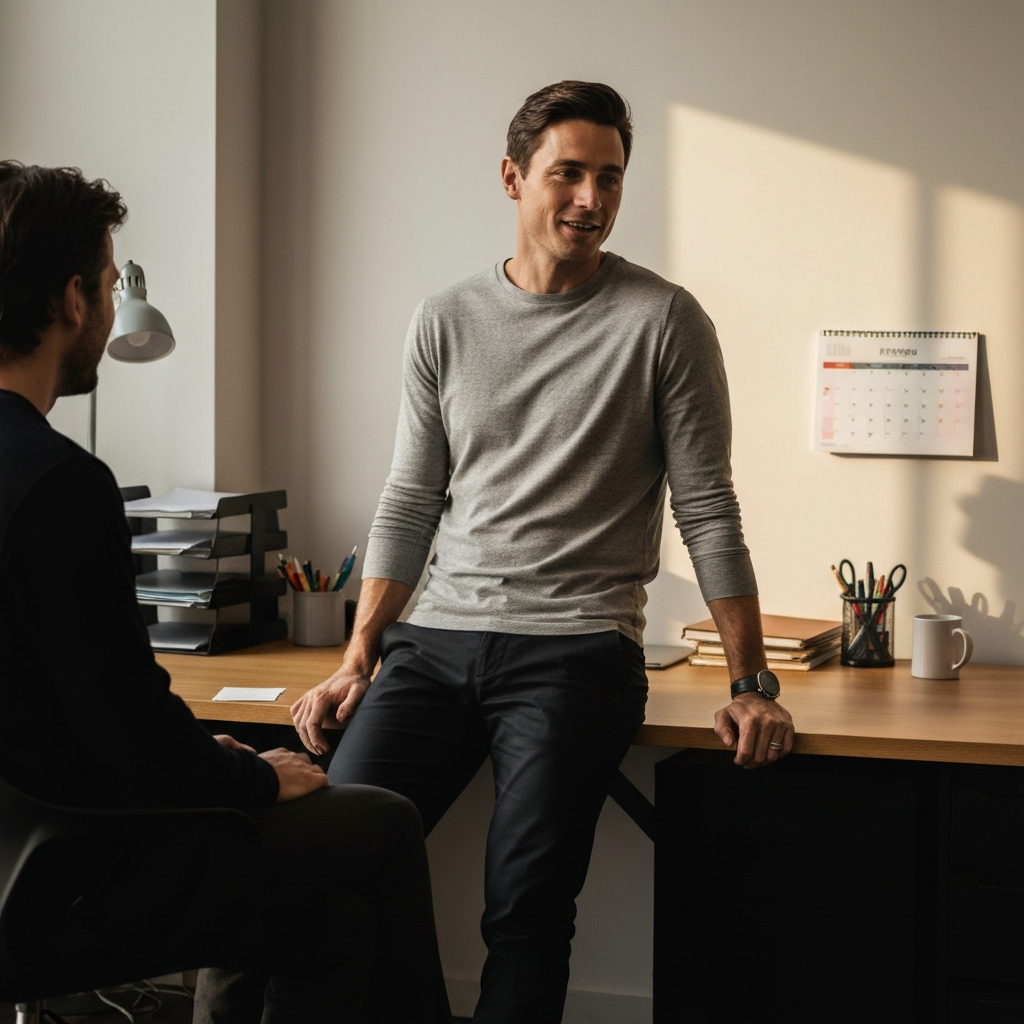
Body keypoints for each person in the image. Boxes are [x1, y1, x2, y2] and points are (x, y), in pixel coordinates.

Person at [291, 81, 796, 1023]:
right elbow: (410, 498)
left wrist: (751, 681)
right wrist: (358, 655)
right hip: (433, 643)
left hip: (574, 652)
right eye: (568, 173)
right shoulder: (444, 318)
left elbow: (708, 509)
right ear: (514, 177)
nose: (591, 200)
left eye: (610, 178)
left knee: (523, 914)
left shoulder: (664, 321)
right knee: (330, 862)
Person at [0, 161, 452, 1024]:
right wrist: (243, 775)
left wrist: (200, 754)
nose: (103, 309)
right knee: (385, 823)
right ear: (70, 301)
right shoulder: (58, 483)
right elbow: (128, 734)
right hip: (63, 876)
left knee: (329, 923)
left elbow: (58, 704)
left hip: (34, 841)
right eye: (104, 285)